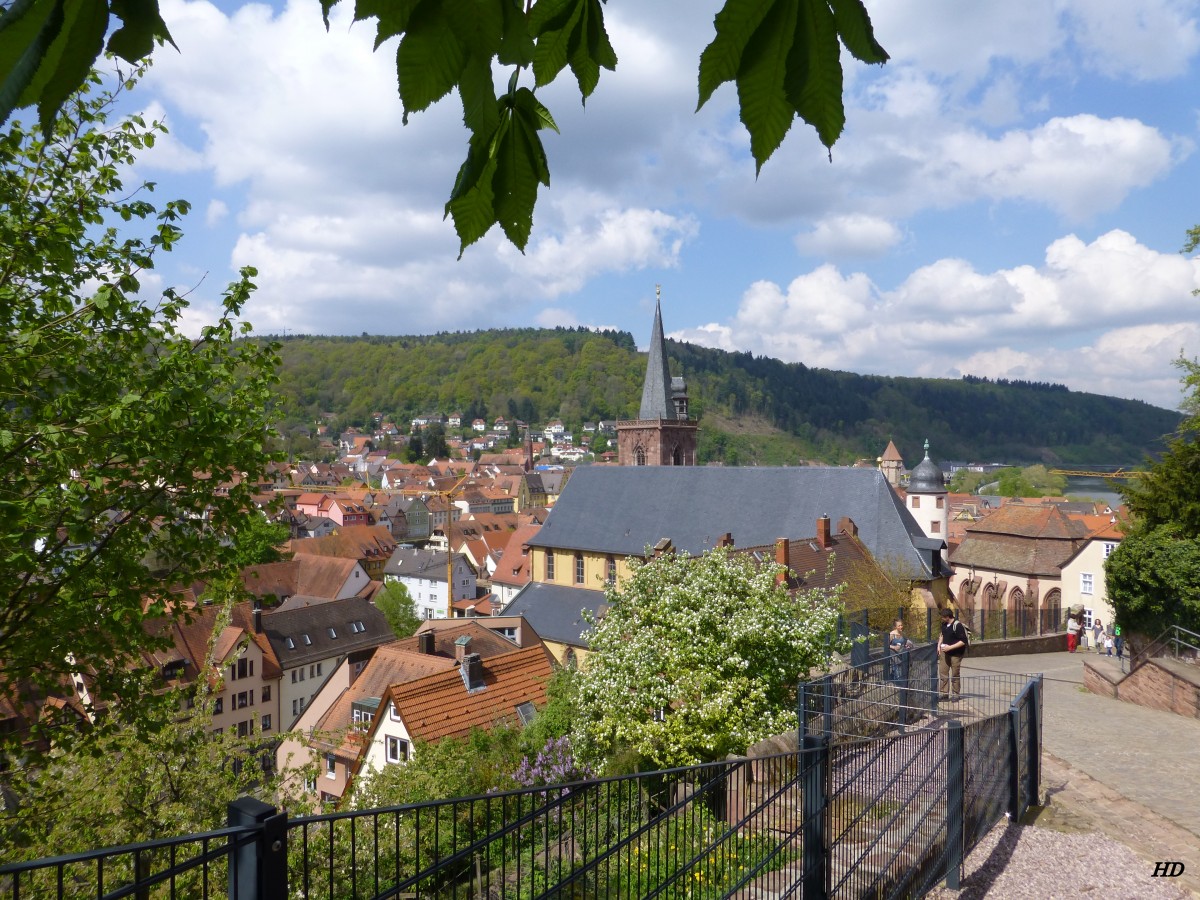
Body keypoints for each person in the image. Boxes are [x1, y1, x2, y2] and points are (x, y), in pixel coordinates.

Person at [938, 607, 969, 700]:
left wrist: (950, 647)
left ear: (947, 617)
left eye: (943, 617)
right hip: (944, 652)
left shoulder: (957, 625)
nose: (942, 619)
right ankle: (944, 693)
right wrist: (939, 645)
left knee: (955, 673)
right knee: (943, 672)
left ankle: (956, 694)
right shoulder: (944, 624)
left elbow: (963, 641)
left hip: (956, 654)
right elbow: (942, 635)